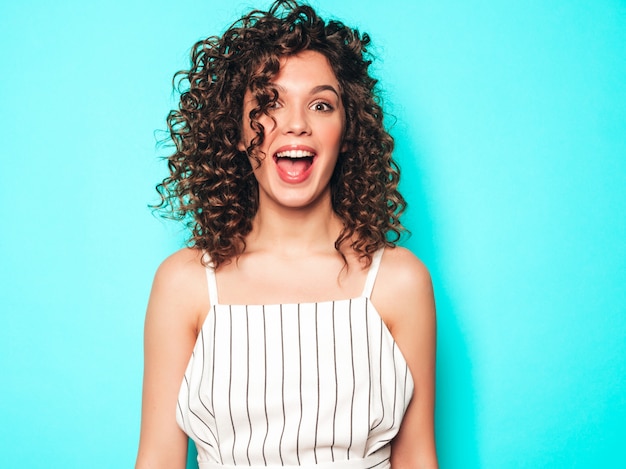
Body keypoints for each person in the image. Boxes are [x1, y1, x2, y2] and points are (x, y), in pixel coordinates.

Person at [135, 1, 438, 468]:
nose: (297, 123)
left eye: (321, 105)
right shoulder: (185, 284)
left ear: (346, 129)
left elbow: (417, 458)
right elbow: (157, 459)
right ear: (236, 131)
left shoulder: (400, 282)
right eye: (269, 102)